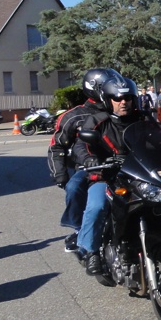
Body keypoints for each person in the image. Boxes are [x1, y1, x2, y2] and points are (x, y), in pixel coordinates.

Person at [71, 71, 143, 275]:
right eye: (117, 98)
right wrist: (89, 159)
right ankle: (90, 251)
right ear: (108, 100)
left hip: (138, 176)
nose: (123, 102)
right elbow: (80, 146)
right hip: (106, 176)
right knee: (97, 206)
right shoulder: (97, 121)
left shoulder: (143, 119)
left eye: (127, 98)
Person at [47, 68, 113, 255]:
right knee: (74, 187)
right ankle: (78, 229)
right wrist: (60, 175)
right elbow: (56, 146)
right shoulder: (73, 116)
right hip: (88, 166)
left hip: (122, 164)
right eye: (107, 86)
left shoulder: (118, 110)